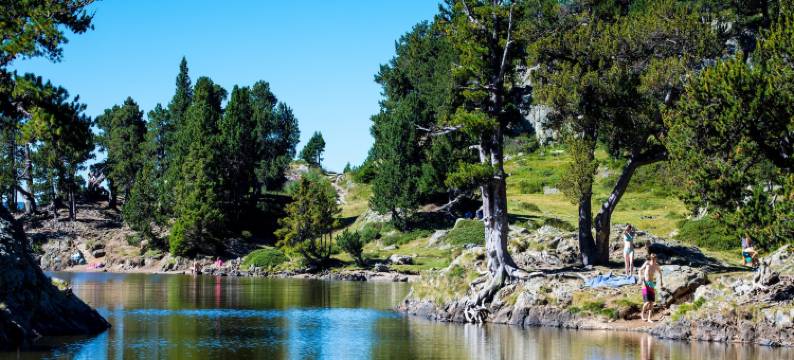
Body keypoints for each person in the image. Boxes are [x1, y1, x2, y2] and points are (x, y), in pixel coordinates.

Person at [639, 253, 663, 322]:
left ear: (656, 258)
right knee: (646, 302)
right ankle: (642, 314)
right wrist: (640, 278)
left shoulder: (656, 265)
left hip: (651, 284)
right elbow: (640, 270)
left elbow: (660, 273)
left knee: (651, 302)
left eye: (654, 258)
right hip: (645, 283)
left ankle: (649, 318)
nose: (653, 259)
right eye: (652, 257)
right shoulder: (647, 263)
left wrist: (661, 282)